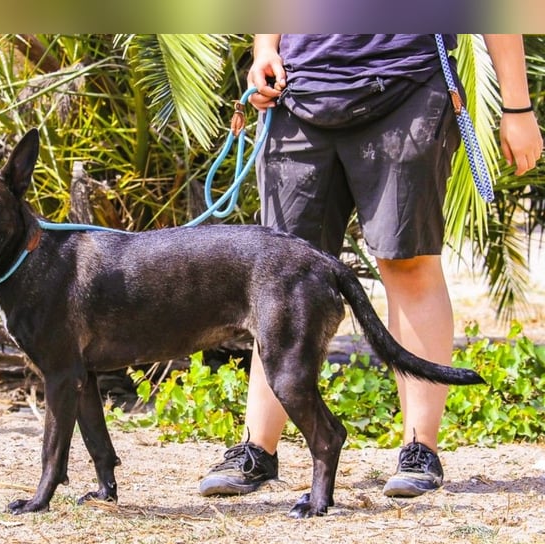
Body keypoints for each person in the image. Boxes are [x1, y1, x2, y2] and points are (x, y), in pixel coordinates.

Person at [199, 34, 543, 499]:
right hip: (297, 94)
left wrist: (518, 109)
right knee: (278, 278)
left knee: (407, 263)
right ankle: (257, 449)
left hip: (409, 86)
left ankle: (420, 448)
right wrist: (265, 50)